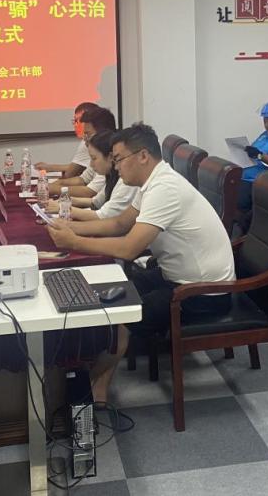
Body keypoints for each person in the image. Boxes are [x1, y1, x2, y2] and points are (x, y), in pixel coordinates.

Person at [44, 123, 234, 403]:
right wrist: (70, 228)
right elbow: (120, 223)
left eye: (119, 159)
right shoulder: (153, 183)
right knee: (114, 287)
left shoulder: (164, 188)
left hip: (202, 292)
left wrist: (74, 243)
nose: (116, 167)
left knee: (122, 312)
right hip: (177, 276)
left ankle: (95, 387)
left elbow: (129, 248)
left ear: (143, 156)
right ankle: (93, 378)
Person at [46, 130, 139, 221]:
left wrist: (64, 208)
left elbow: (104, 215)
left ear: (110, 157)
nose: (91, 164)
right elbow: (96, 202)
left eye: (94, 158)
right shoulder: (111, 176)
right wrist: (67, 201)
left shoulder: (126, 181)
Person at [49, 106, 117, 197]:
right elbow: (82, 179)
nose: (84, 138)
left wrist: (55, 189)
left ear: (102, 133)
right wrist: (58, 183)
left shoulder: (109, 155)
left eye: (88, 134)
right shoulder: (97, 152)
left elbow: (90, 192)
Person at [35, 101, 100, 177]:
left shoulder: (90, 141)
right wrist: (49, 167)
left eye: (78, 121)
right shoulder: (92, 138)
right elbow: (78, 166)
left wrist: (50, 168)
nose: (75, 125)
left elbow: (70, 173)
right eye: (74, 121)